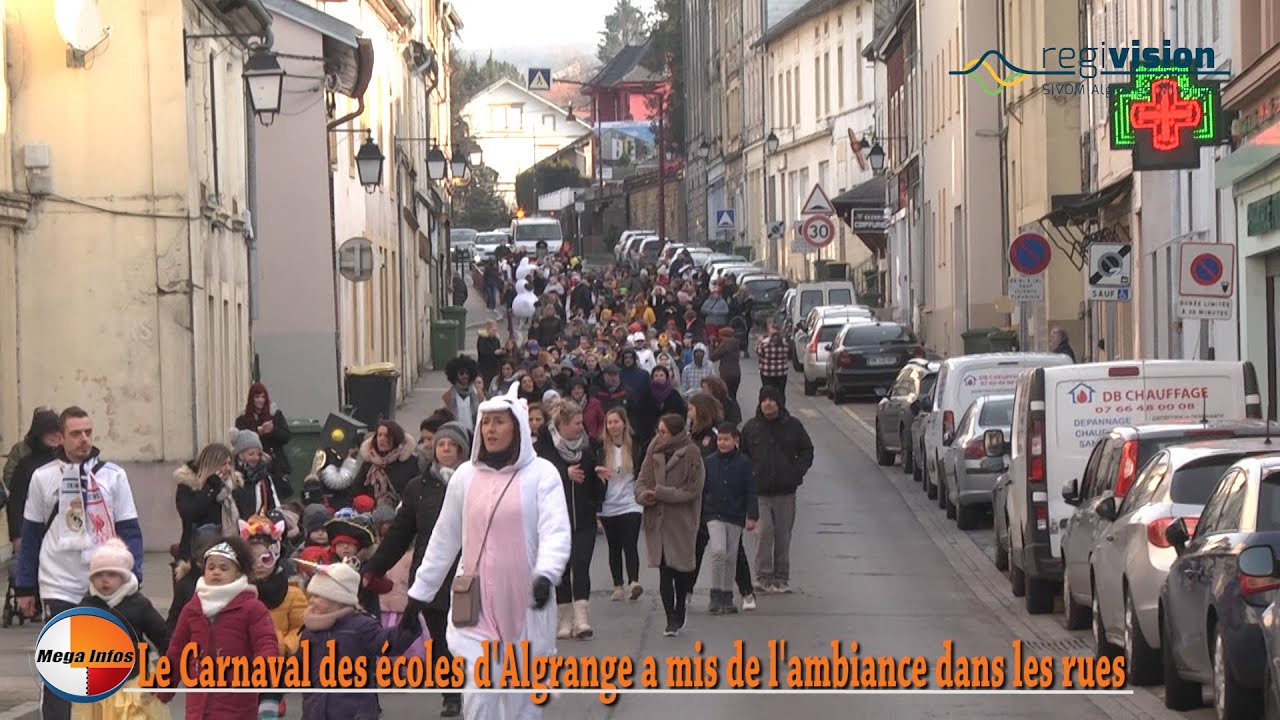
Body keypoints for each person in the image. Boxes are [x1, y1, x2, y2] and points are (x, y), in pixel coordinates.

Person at [404, 383, 571, 719]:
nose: (491, 430)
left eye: (500, 422)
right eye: (486, 422)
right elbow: (444, 538)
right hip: (476, 605)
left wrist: (546, 574)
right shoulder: (465, 477)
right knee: (480, 694)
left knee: (522, 699)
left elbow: (555, 531)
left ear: (518, 427)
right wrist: (419, 593)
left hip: (525, 603)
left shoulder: (542, 475)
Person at [15, 406, 145, 699]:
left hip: (105, 584)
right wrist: (25, 587)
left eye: (88, 432)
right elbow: (31, 534)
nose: (84, 439)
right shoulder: (42, 477)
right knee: (62, 665)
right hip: (58, 582)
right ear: (61, 438)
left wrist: (134, 574)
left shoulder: (114, 476)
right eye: (76, 434)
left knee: (102, 664)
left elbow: (130, 530)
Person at [363, 422, 469, 717]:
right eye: (440, 444)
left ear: (463, 449)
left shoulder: (475, 482)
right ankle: (451, 695)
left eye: (452, 444)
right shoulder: (418, 487)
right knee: (441, 639)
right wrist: (375, 567)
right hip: (431, 575)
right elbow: (400, 533)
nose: (445, 448)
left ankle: (474, 688)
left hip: (467, 574)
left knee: (467, 636)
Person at [159, 537, 280, 719]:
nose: (216, 572)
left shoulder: (252, 608)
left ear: (238, 573)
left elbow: (266, 642)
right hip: (198, 704)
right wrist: (164, 687)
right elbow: (176, 651)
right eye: (211, 567)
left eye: (224, 568)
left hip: (236, 700)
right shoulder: (192, 608)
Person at [298, 562, 421, 720]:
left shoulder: (361, 626)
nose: (311, 601)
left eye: (318, 596)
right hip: (315, 711)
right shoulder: (310, 630)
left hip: (355, 711)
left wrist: (407, 626)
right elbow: (299, 665)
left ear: (338, 598)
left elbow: (387, 644)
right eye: (312, 595)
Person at [72, 538, 169, 720]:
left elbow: (162, 635)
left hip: (134, 679)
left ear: (123, 577)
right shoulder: (86, 606)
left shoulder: (138, 604)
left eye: (111, 575)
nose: (105, 580)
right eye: (99, 576)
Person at [535, 401, 603, 640]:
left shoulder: (588, 445)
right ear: (562, 425)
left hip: (584, 517)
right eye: (576, 424)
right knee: (562, 569)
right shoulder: (544, 446)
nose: (580, 427)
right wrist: (565, 474)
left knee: (581, 564)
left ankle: (582, 619)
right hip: (556, 520)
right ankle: (564, 620)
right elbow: (539, 477)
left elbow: (594, 474)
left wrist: (598, 477)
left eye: (581, 423)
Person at [635, 413, 704, 637]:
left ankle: (681, 605)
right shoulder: (653, 450)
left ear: (675, 433)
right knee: (664, 571)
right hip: (657, 519)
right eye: (658, 430)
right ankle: (670, 620)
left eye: (663, 431)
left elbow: (693, 490)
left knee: (681, 571)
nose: (659, 435)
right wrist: (643, 495)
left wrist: (663, 493)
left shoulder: (691, 453)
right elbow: (641, 480)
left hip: (681, 521)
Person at [741, 386, 814, 594]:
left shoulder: (793, 426)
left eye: (772, 399)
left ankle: (781, 578)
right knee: (764, 532)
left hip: (785, 491)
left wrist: (796, 473)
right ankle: (763, 576)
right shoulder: (751, 428)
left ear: (779, 402)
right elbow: (743, 455)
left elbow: (807, 450)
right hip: (759, 492)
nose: (768, 403)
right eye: (764, 400)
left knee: (783, 534)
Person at [700, 423, 758, 614]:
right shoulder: (709, 462)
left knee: (731, 555)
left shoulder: (744, 463)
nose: (722, 443)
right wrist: (702, 511)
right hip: (713, 513)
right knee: (718, 551)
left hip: (735, 515)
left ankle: (727, 595)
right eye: (720, 440)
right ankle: (715, 594)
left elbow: (750, 490)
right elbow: (703, 488)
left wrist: (752, 515)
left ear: (736, 440)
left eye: (726, 439)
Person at [596, 408, 645, 602]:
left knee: (630, 542)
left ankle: (634, 581)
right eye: (609, 423)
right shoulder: (600, 449)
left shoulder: (635, 446)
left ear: (624, 423)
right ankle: (618, 585)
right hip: (609, 504)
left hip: (630, 503)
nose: (613, 426)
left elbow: (642, 470)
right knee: (614, 546)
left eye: (616, 422)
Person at [175, 443, 241, 561]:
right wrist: (211, 488)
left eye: (229, 463)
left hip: (229, 550)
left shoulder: (233, 486)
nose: (228, 468)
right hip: (196, 552)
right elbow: (189, 514)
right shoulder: (189, 485)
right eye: (223, 464)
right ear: (211, 465)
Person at [6, 408, 61, 551]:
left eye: (58, 430)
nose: (55, 435)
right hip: (31, 526)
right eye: (50, 431)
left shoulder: (67, 459)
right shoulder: (24, 461)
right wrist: (17, 536)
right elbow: (15, 499)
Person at [235, 383, 293, 487]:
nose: (260, 400)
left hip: (275, 465)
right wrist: (257, 432)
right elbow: (239, 440)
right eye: (257, 397)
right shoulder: (243, 419)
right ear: (251, 399)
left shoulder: (275, 415)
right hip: (251, 466)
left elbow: (286, 436)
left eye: (263, 397)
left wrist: (272, 430)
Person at [353, 420, 419, 510]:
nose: (382, 439)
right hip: (370, 514)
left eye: (387, 435)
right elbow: (356, 490)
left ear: (396, 438)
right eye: (379, 435)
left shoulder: (410, 462)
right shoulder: (369, 462)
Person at [230, 428, 288, 519]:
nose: (255, 458)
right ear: (240, 455)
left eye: (258, 454)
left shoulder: (264, 478)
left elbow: (274, 504)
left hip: (260, 527)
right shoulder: (232, 477)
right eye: (251, 454)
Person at [443, 355, 486, 431]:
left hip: (475, 433)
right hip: (456, 433)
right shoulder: (448, 396)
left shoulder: (478, 394)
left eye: (467, 373)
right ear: (455, 375)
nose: (465, 376)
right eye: (461, 373)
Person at [756, 324, 791, 403]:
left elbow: (759, 352)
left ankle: (769, 405)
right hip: (781, 372)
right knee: (781, 392)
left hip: (767, 372)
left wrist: (759, 341)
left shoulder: (765, 344)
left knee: (768, 392)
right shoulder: (785, 344)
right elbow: (788, 353)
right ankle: (781, 407)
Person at [709, 328, 742, 403]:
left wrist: (712, 344)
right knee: (733, 396)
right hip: (736, 373)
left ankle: (728, 413)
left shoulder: (726, 343)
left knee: (726, 397)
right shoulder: (735, 343)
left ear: (723, 336)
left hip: (726, 374)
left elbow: (712, 357)